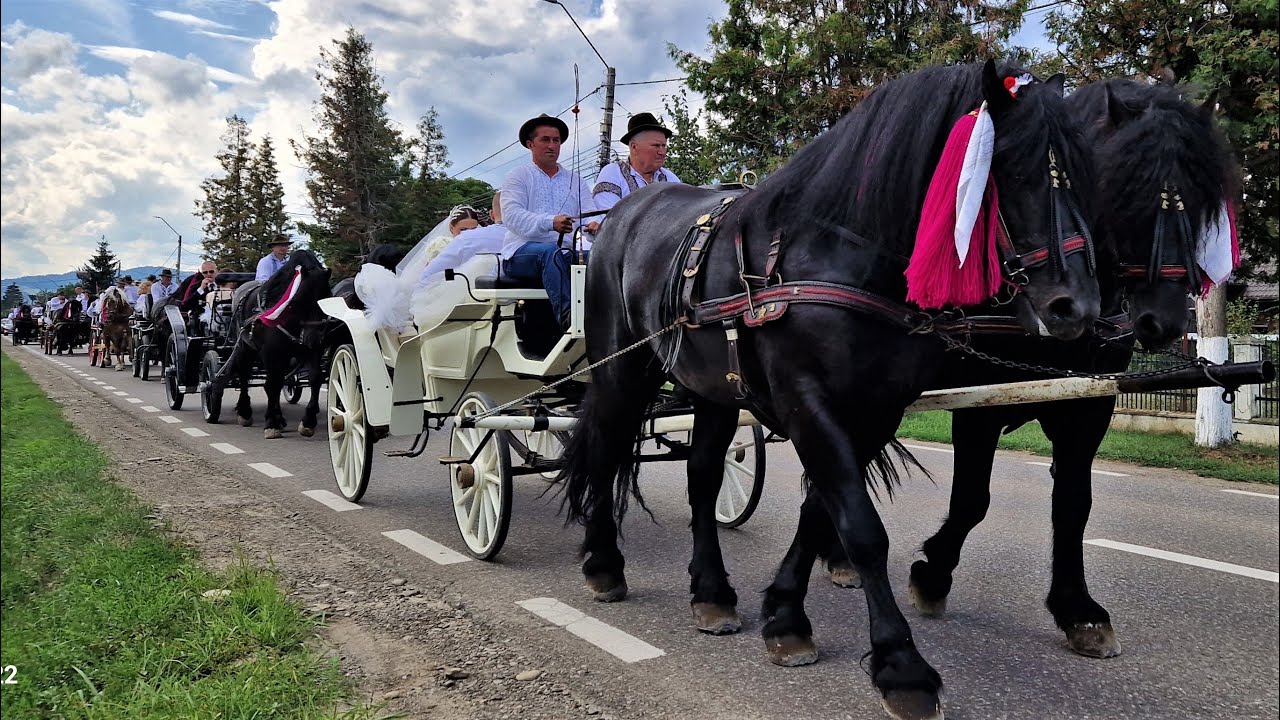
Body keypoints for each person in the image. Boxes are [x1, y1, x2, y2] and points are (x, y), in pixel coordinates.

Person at [501, 114, 600, 329]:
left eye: (556, 140)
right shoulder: (518, 175)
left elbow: (589, 214)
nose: (552, 145)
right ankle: (571, 321)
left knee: (603, 259)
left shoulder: (575, 179)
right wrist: (550, 222)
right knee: (550, 252)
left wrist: (594, 226)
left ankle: (612, 318)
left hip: (566, 254)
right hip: (520, 254)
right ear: (530, 144)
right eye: (545, 140)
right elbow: (511, 215)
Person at [592, 112, 682, 212]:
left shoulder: (671, 179)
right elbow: (609, 218)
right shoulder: (613, 173)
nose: (662, 152)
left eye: (664, 146)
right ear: (634, 147)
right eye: (656, 146)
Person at [418, 195, 507, 283]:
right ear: (451, 227)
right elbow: (430, 274)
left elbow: (426, 278)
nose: (467, 232)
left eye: (474, 229)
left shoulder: (473, 240)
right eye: (463, 229)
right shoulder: (442, 243)